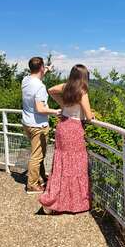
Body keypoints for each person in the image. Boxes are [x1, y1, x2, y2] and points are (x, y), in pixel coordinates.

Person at [39, 64, 94, 214]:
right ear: (84, 77)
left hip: (63, 126)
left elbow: (50, 90)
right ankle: (73, 202)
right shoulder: (82, 91)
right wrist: (91, 115)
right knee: (76, 165)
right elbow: (89, 117)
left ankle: (55, 199)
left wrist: (63, 105)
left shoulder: (66, 87)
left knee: (62, 164)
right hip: (74, 129)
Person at [22, 57, 61, 194]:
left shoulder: (26, 80)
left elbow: (36, 76)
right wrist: (56, 111)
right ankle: (32, 185)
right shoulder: (40, 87)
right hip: (38, 125)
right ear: (41, 68)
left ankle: (41, 177)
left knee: (39, 153)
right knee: (37, 155)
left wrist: (47, 70)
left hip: (27, 122)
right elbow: (40, 108)